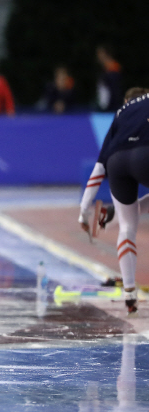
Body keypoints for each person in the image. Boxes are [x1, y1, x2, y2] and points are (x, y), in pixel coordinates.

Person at [79, 86, 149, 315]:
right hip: (145, 155)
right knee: (129, 218)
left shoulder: (121, 112)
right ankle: (114, 215)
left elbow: (100, 166)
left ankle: (129, 293)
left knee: (127, 226)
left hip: (116, 164)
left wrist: (83, 209)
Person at [96, 45, 123, 112]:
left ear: (106, 54)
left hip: (113, 106)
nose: (98, 57)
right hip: (106, 104)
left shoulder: (114, 67)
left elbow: (115, 90)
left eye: (100, 54)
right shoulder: (104, 69)